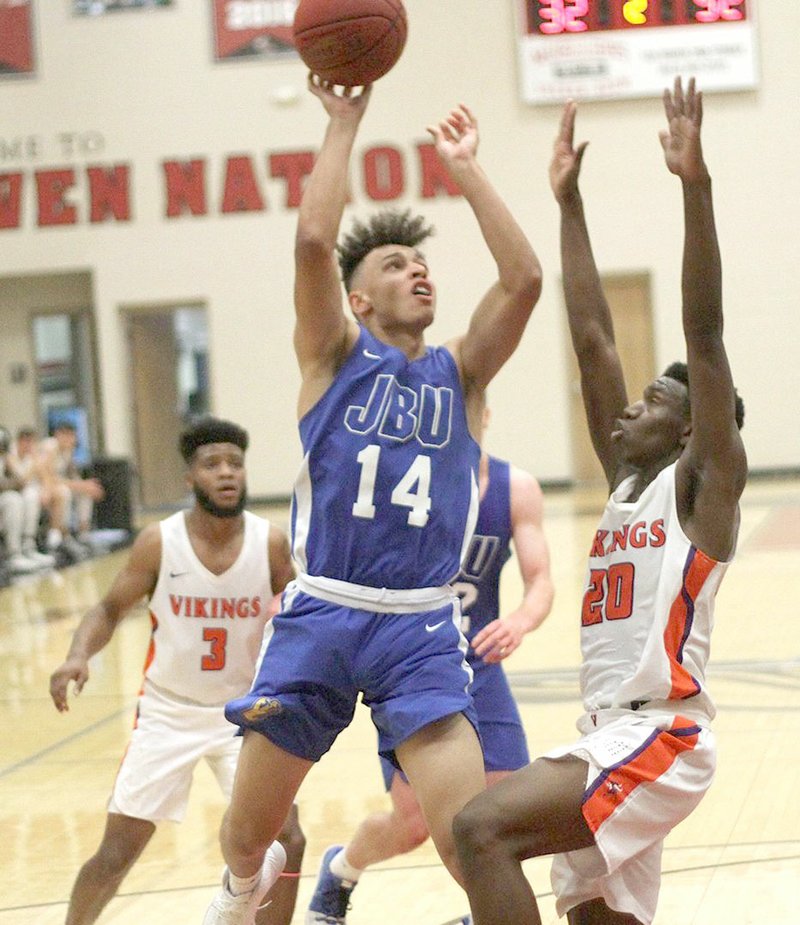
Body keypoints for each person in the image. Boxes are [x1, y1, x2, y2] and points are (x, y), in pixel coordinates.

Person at [202, 76, 542, 925]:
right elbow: (314, 240)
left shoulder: (459, 372)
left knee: (472, 841)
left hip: (423, 627)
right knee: (251, 840)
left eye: (422, 262)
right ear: (359, 298)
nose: (417, 268)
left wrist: (467, 170)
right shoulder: (330, 354)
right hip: (323, 611)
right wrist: (344, 121)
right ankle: (241, 898)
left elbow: (526, 277)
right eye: (396, 263)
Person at [452, 77, 747, 925]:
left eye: (654, 399)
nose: (629, 405)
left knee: (482, 831)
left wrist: (696, 186)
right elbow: (589, 340)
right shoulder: (626, 481)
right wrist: (568, 202)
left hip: (661, 735)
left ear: (695, 428)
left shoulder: (702, 490)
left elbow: (706, 332)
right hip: (604, 731)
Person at [49, 417, 305, 925]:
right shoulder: (158, 542)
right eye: (212, 464)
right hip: (169, 712)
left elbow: (302, 613)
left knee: (287, 838)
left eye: (235, 463)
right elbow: (107, 609)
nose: (227, 473)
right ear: (190, 478)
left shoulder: (269, 542)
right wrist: (78, 655)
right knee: (117, 852)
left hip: (244, 716)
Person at [306, 412, 555, 924]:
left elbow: (542, 579)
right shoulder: (403, 485)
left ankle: (486, 914)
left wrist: (520, 621)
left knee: (502, 818)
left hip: (480, 669)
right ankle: (342, 869)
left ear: (486, 414)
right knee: (414, 824)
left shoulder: (515, 488)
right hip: (412, 668)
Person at [39, 421, 105, 560]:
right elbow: (48, 477)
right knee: (65, 492)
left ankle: (83, 535)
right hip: (41, 487)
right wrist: (80, 485)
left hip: (57, 485)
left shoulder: (68, 450)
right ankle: (58, 539)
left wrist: (85, 485)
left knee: (85, 491)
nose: (71, 440)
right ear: (58, 434)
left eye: (72, 436)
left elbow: (72, 475)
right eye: (67, 436)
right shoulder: (49, 447)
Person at [0, 425, 55, 574]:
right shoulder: (11, 455)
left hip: (9, 496)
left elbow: (22, 480)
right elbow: (20, 481)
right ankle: (14, 554)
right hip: (7, 498)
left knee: (30, 495)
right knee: (13, 499)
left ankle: (28, 547)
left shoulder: (5, 457)